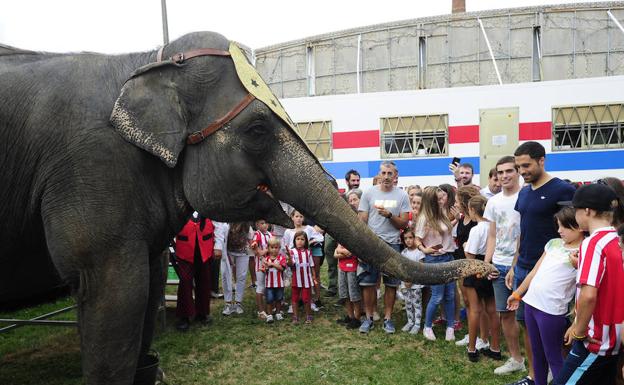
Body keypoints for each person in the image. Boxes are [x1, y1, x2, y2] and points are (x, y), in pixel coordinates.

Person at [512, 141, 576, 385]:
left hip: (554, 270)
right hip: (525, 267)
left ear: (542, 160)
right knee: (528, 326)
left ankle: (561, 375)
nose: (522, 171)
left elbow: (575, 227)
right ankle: (535, 376)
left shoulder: (563, 190)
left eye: (526, 165)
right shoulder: (524, 192)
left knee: (557, 334)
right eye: (518, 166)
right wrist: (514, 263)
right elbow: (523, 229)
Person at [553, 183, 624, 385]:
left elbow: (589, 294)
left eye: (575, 210)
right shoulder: (617, 239)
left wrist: (580, 329)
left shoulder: (593, 243)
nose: (574, 215)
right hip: (615, 337)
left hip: (595, 341)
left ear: (588, 211)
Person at [506, 206, 583, 385]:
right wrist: (517, 294)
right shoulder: (553, 243)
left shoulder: (584, 251)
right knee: (537, 353)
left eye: (564, 226)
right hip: (531, 304)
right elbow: (534, 272)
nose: (559, 230)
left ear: (578, 226)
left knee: (554, 356)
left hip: (551, 310)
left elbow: (584, 286)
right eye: (558, 226)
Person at [357, 161, 411, 334]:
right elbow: (361, 221)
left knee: (391, 283)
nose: (386, 177)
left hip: (392, 244)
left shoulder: (402, 195)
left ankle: (387, 318)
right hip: (372, 243)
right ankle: (369, 317)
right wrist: (362, 244)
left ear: (395, 175)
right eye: (384, 173)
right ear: (379, 174)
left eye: (390, 173)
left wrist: (389, 215)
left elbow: (403, 223)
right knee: (368, 282)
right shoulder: (368, 193)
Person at [484, 156, 524, 373]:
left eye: (509, 171)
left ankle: (540, 361)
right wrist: (487, 263)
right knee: (505, 314)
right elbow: (492, 235)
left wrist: (515, 266)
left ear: (517, 171)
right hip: (499, 265)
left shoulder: (526, 197)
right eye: (500, 172)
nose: (504, 176)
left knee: (527, 318)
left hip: (523, 266)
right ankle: (516, 359)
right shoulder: (493, 202)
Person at [415, 186, 457, 341]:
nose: (442, 201)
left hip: (448, 257)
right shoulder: (424, 218)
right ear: (430, 201)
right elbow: (417, 238)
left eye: (442, 198)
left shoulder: (443, 212)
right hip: (434, 259)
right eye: (438, 199)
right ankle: (427, 326)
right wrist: (424, 250)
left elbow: (445, 229)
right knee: (437, 296)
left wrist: (455, 220)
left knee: (450, 295)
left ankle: (450, 327)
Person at [462, 195, 500, 362]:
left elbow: (469, 254)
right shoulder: (494, 228)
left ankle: (471, 348)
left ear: (471, 210)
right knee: (492, 310)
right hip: (490, 267)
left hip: (475, 268)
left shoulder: (476, 230)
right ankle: (495, 346)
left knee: (475, 310)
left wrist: (464, 246)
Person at [172, 213, 215, 331]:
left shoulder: (206, 205)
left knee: (204, 282)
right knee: (185, 283)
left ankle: (202, 313)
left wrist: (217, 246)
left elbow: (217, 224)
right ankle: (184, 316)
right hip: (185, 251)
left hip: (205, 249)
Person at [282, 210, 324, 311]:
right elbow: (285, 245)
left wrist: (310, 241)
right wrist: (289, 256)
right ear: (292, 217)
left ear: (303, 218)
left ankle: (311, 301)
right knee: (295, 280)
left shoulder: (308, 228)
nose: (299, 218)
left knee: (308, 279)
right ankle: (296, 302)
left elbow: (320, 237)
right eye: (296, 216)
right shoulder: (288, 232)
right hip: (294, 260)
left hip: (306, 258)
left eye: (301, 216)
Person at [220, 222, 253, 316]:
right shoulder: (227, 224)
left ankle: (238, 303)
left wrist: (254, 246)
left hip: (243, 252)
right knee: (225, 275)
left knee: (241, 277)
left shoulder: (247, 225)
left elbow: (250, 240)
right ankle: (228, 303)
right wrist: (226, 255)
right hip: (228, 252)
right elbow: (223, 240)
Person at [287, 231, 317, 325]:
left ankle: (309, 316)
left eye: (302, 239)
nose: (300, 241)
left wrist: (314, 276)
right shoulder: (292, 252)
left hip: (307, 280)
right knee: (295, 298)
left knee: (306, 298)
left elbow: (312, 265)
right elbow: (290, 265)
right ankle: (295, 317)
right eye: (298, 239)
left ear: (306, 241)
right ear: (294, 240)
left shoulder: (308, 252)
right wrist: (288, 257)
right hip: (296, 279)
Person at [399, 228, 424, 335]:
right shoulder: (403, 253)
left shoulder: (419, 253)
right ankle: (410, 322)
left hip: (416, 284)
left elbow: (420, 269)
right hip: (405, 283)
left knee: (416, 304)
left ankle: (417, 324)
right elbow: (402, 268)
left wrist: (412, 280)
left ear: (415, 238)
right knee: (408, 303)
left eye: (410, 237)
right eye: (405, 238)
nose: (408, 240)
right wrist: (405, 280)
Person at [334, 243, 362, 329]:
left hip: (352, 268)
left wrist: (340, 251)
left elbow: (351, 253)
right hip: (341, 267)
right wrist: (342, 251)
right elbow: (335, 255)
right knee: (344, 293)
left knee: (353, 294)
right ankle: (350, 316)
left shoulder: (353, 239)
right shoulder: (341, 239)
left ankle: (357, 319)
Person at [251, 218, 273, 319]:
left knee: (269, 286)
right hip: (260, 265)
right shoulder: (257, 234)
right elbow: (257, 251)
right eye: (262, 223)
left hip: (270, 264)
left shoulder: (270, 234)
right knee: (261, 286)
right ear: (257, 225)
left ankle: (269, 306)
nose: (265, 225)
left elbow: (274, 248)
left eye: (266, 223)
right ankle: (261, 310)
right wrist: (266, 250)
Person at [263, 238, 287, 323]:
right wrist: (264, 268)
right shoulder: (266, 259)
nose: (274, 249)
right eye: (272, 247)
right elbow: (265, 270)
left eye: (276, 247)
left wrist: (272, 264)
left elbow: (282, 268)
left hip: (279, 283)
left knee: (279, 299)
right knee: (269, 300)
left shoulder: (282, 258)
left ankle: (278, 313)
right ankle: (269, 315)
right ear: (268, 248)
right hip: (269, 284)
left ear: (279, 248)